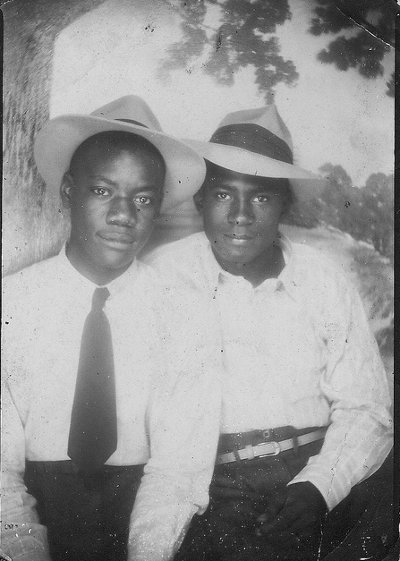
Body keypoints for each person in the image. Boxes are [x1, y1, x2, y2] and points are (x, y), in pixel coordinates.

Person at [145, 105, 394, 560]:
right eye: (223, 194)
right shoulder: (165, 278)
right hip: (216, 483)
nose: (240, 215)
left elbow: (368, 408)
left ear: (285, 204)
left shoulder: (324, 279)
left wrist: (319, 487)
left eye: (260, 197)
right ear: (200, 199)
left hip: (323, 465)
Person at [1, 96, 222, 561]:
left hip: (150, 522)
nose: (124, 215)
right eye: (103, 191)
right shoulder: (12, 304)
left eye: (143, 198)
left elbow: (179, 468)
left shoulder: (184, 311)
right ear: (67, 191)